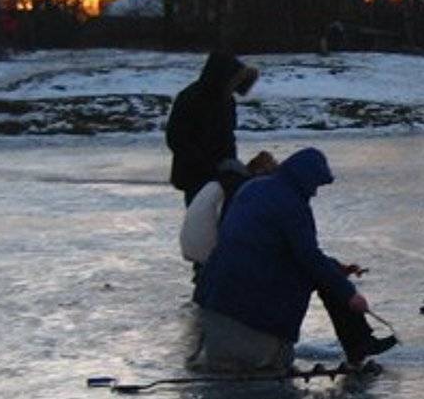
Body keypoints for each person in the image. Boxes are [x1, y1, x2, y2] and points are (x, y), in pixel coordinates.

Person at [192, 147, 396, 372]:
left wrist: (336, 267)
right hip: (252, 305)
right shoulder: (292, 205)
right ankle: (359, 345)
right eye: (316, 185)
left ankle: (360, 343)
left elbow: (282, 248)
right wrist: (350, 295)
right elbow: (308, 257)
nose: (316, 193)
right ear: (305, 179)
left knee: (327, 272)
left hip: (213, 293)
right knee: (325, 277)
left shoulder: (253, 188)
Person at [165, 51, 260, 205]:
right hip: (195, 175)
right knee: (200, 218)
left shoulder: (226, 100)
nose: (233, 87)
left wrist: (231, 164)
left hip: (222, 174)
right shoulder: (190, 98)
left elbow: (228, 135)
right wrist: (206, 164)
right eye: (232, 81)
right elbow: (176, 138)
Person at [179, 150, 278, 273]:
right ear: (259, 173)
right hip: (207, 253)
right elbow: (229, 226)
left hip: (191, 246)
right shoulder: (236, 187)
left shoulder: (222, 181)